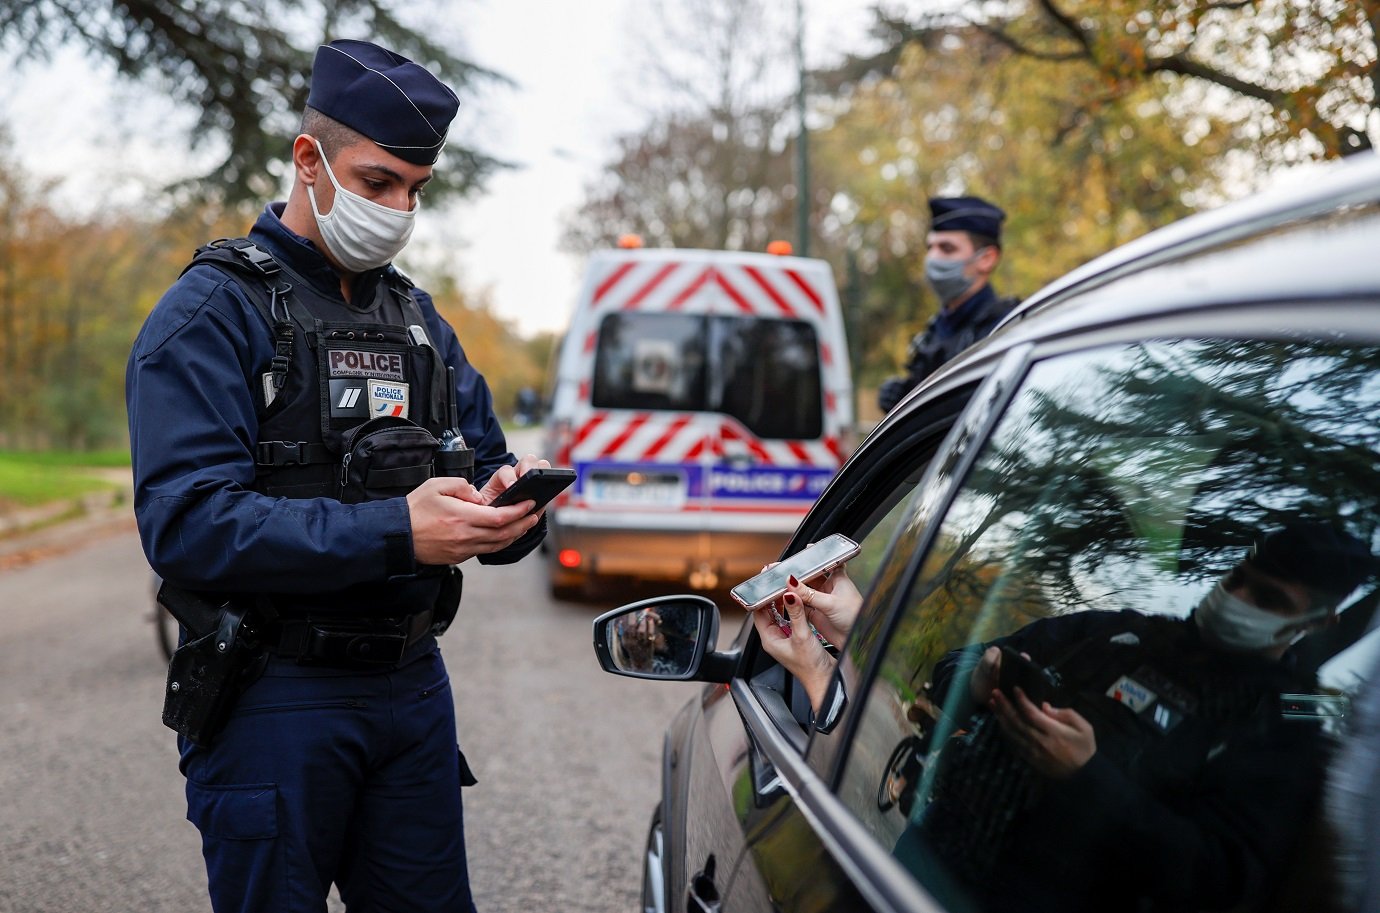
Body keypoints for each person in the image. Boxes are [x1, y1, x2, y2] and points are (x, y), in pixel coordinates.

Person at [126, 39, 549, 913]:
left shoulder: (419, 320)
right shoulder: (213, 313)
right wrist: (398, 530)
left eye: (414, 191)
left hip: (411, 691)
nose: (398, 210)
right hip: (273, 695)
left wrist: (513, 510)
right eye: (377, 182)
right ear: (307, 160)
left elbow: (485, 460)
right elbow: (189, 525)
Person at [758, 523, 1374, 912]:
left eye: (1268, 598)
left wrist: (1087, 777)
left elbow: (1224, 884)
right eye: (1239, 579)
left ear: (1317, 625)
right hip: (928, 857)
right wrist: (978, 676)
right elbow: (949, 671)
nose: (1237, 599)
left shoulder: (1281, 733)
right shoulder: (1117, 635)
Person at [877, 195, 1019, 413]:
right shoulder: (935, 330)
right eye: (930, 247)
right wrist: (903, 398)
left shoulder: (1003, 330)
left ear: (986, 259)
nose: (933, 258)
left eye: (947, 248)